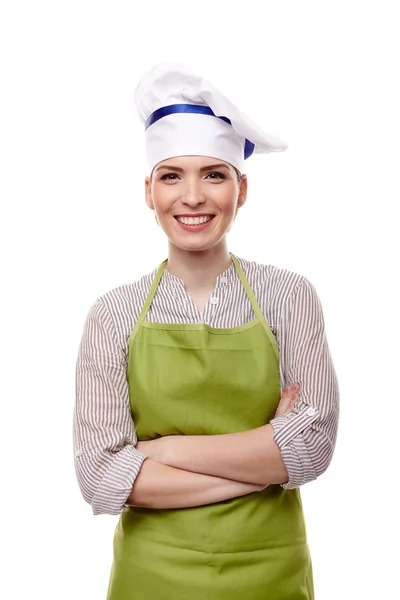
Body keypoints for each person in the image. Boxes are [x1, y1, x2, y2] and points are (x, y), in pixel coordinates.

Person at [74, 62, 339, 600]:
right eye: (172, 176)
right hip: (153, 576)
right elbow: (101, 478)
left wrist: (162, 450)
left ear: (241, 190)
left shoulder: (290, 296)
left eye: (213, 175)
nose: (192, 197)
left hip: (271, 572)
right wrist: (266, 459)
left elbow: (312, 447)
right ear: (149, 191)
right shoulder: (113, 313)